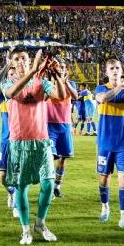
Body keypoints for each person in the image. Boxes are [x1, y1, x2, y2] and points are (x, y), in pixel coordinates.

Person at [1, 47, 63, 244]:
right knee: (21, 187)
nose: (20, 61)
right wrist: (33, 70)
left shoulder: (41, 81)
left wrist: (58, 76)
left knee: (48, 184)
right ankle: (26, 229)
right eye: (17, 59)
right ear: (12, 63)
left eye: (24, 58)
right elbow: (12, 93)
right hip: (19, 143)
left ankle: (40, 223)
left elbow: (60, 95)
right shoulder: (8, 82)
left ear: (29, 61)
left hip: (41, 141)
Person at [95, 58, 124, 230]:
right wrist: (121, 87)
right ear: (106, 72)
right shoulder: (100, 88)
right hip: (105, 143)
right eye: (112, 68)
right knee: (104, 178)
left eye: (117, 68)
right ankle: (105, 206)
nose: (115, 71)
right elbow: (103, 99)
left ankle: (123, 217)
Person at [47, 59, 78, 198]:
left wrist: (64, 82)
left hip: (65, 125)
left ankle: (57, 187)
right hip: (50, 125)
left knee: (63, 158)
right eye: (59, 67)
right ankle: (48, 187)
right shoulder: (47, 84)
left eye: (63, 67)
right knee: (50, 157)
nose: (61, 69)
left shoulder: (70, 84)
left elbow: (76, 96)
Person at [0, 53, 18, 217]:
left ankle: (16, 201)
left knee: (18, 174)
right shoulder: (3, 98)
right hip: (5, 141)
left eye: (15, 73)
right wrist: (6, 66)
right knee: (3, 176)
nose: (13, 75)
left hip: (19, 140)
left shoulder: (23, 94)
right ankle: (11, 191)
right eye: (10, 74)